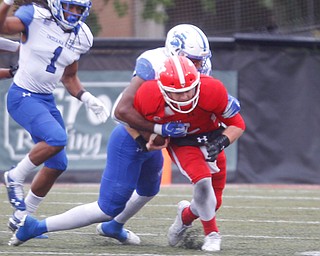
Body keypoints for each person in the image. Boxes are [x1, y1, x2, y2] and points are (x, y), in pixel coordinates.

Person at [6, 24, 214, 247]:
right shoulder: (153, 65)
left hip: (152, 140)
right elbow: (120, 111)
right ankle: (35, 226)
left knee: (149, 189)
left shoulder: (196, 71)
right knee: (107, 208)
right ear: (176, 53)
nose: (199, 66)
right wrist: (155, 132)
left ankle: (114, 226)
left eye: (201, 60)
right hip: (131, 138)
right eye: (194, 60)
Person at [0, 0, 109, 235]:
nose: (75, 13)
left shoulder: (82, 35)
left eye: (80, 9)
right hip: (23, 96)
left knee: (58, 163)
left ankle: (22, 218)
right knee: (56, 138)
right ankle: (14, 176)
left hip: (46, 99)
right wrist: (7, 3)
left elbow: (69, 76)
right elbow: (2, 28)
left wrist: (87, 98)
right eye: (71, 6)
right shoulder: (35, 15)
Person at [132, 56, 246, 251]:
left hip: (211, 139)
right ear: (163, 89)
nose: (184, 97)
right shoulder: (149, 94)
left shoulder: (212, 89)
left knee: (214, 202)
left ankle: (184, 216)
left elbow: (238, 124)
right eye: (177, 93)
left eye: (188, 91)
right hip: (183, 144)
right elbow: (127, 119)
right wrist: (147, 137)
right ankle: (212, 234)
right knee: (202, 182)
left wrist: (221, 142)